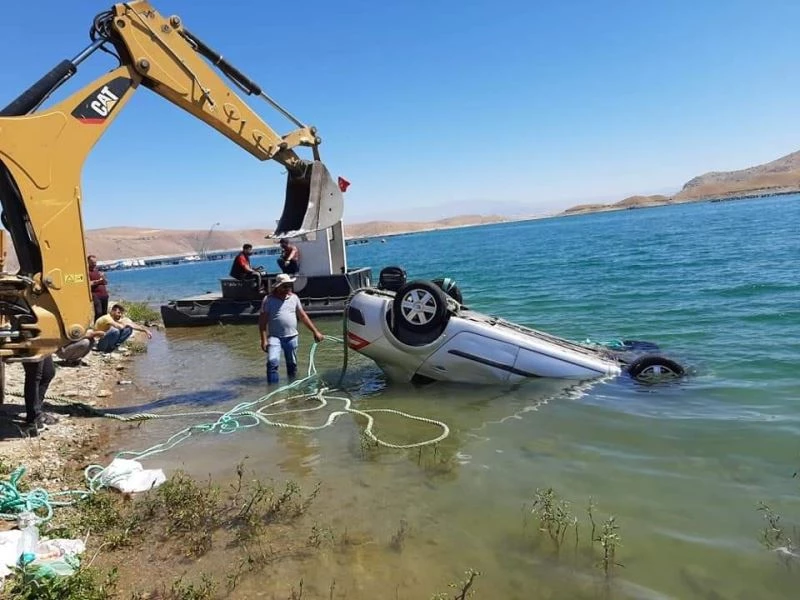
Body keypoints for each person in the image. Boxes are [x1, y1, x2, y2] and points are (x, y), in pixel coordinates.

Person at [258, 273, 324, 384]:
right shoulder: (268, 300)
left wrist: (315, 331)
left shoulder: (294, 298)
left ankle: (292, 387)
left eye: (289, 285)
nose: (287, 288)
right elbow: (262, 322)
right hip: (274, 337)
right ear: (277, 286)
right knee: (272, 362)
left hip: (292, 337)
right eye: (284, 286)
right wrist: (263, 340)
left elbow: (302, 316)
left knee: (292, 364)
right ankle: (272, 391)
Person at [22, 355, 58, 435]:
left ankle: (36, 411)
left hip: (41, 344)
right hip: (28, 344)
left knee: (47, 373)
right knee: (34, 373)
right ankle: (33, 418)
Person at [88, 255, 109, 321]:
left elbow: (105, 282)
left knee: (104, 313)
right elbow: (88, 284)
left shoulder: (98, 271)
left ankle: (104, 327)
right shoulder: (87, 272)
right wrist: (98, 281)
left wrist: (103, 277)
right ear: (88, 262)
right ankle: (96, 327)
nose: (94, 264)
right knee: (98, 312)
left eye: (95, 262)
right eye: (92, 262)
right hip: (96, 295)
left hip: (104, 294)